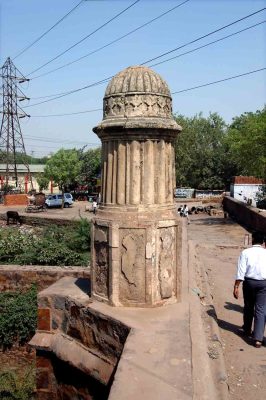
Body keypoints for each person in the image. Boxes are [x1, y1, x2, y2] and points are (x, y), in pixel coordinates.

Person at [233, 231, 266, 348]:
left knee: (248, 306)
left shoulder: (245, 252)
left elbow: (241, 271)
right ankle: (258, 339)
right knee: (261, 310)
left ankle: (247, 329)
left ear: (252, 240)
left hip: (249, 283)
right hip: (264, 284)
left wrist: (236, 286)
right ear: (263, 242)